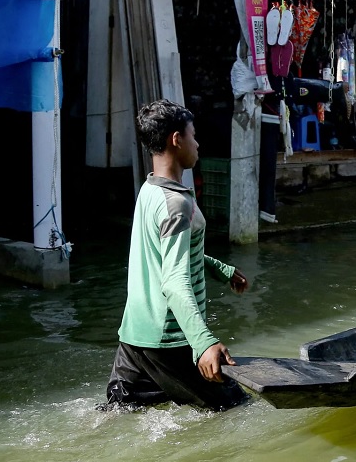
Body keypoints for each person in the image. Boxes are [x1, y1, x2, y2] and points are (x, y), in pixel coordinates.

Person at [102, 100, 249, 411]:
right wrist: (204, 343)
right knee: (236, 407)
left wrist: (220, 268)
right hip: (169, 339)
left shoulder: (150, 191)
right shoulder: (175, 204)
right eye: (193, 135)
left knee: (116, 417)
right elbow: (174, 280)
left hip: (134, 335)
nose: (197, 143)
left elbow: (163, 258)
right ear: (176, 139)